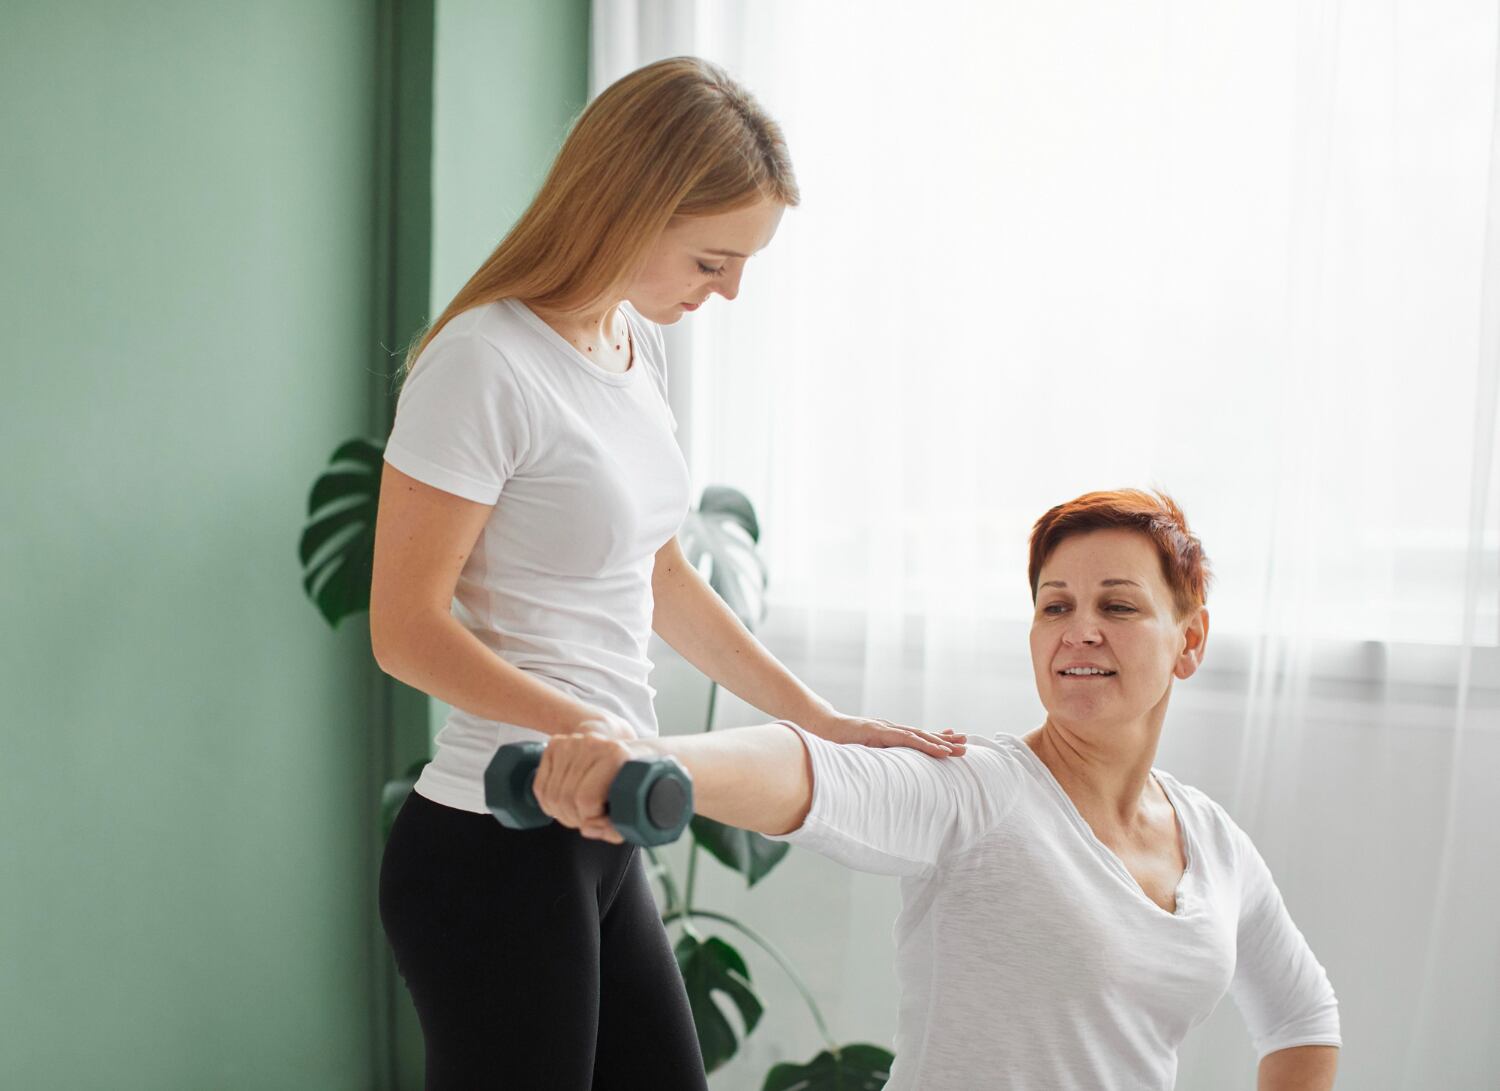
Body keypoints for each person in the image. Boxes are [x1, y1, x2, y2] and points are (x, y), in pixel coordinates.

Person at [370, 56, 962, 1091]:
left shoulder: (630, 347)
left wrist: (822, 719)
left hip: (598, 824)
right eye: (711, 258)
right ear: (632, 207)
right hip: (494, 838)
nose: (729, 289)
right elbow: (405, 627)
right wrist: (581, 723)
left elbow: (663, 575)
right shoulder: (484, 361)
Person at [537, 489, 1343, 1091]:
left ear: (1189, 639)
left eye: (1119, 606)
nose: (1078, 629)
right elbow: (810, 774)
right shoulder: (983, 790)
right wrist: (646, 758)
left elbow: (1302, 1016)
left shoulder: (1213, 842)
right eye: (1054, 605)